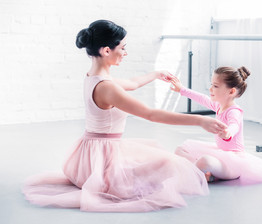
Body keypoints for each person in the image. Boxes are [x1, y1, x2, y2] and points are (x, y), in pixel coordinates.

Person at [22, 20, 228, 212]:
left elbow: (133, 83)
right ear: (106, 50)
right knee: (168, 163)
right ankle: (211, 174)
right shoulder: (107, 88)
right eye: (122, 48)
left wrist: (156, 74)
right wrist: (200, 120)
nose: (125, 53)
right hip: (103, 166)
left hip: (87, 157)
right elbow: (151, 114)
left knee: (151, 157)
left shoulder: (93, 77)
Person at [170, 66, 262, 184]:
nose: (210, 89)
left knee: (205, 161)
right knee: (180, 150)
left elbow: (235, 125)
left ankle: (201, 171)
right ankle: (204, 173)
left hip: (233, 161)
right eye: (211, 84)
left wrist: (228, 132)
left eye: (215, 86)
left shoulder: (234, 111)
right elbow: (202, 98)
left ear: (231, 91)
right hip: (220, 153)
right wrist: (182, 90)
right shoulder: (218, 106)